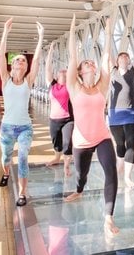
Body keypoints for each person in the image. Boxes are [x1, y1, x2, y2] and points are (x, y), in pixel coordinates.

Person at [64, 12, 120, 235]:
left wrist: (107, 34)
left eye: (91, 62)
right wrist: (72, 28)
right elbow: (71, 56)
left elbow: (106, 57)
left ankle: (108, 218)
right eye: (85, 62)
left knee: (111, 172)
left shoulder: (102, 86)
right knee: (81, 175)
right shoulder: (73, 86)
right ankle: (79, 190)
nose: (89, 62)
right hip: (81, 140)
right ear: (80, 70)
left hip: (102, 136)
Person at [0, 18, 44, 207]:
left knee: (23, 157)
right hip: (7, 128)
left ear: (26, 66)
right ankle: (6, 172)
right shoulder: (5, 79)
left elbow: (38, 59)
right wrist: (5, 32)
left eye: (24, 60)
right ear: (12, 65)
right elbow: (1, 56)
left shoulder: (29, 80)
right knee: (6, 157)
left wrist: (41, 37)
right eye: (17, 60)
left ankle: (22, 193)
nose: (21, 62)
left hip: (25, 127)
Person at [108, 18, 134, 188]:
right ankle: (120, 165)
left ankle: (128, 176)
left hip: (131, 114)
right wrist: (108, 32)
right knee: (120, 144)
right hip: (115, 115)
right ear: (117, 61)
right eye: (121, 55)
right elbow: (107, 52)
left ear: (128, 61)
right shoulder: (113, 72)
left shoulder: (133, 72)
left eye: (126, 56)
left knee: (131, 144)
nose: (123, 57)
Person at [45, 41, 75, 176]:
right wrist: (50, 51)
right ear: (56, 76)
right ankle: (57, 158)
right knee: (56, 141)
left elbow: (75, 67)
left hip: (68, 119)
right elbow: (47, 69)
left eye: (65, 71)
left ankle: (67, 165)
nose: (63, 71)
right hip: (54, 119)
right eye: (61, 71)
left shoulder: (70, 85)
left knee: (67, 141)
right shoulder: (52, 85)